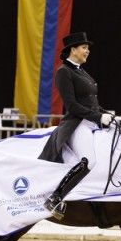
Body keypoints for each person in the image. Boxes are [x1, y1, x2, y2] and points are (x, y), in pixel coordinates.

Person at [38, 32, 114, 219]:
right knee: (89, 160)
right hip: (77, 123)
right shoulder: (64, 71)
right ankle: (55, 198)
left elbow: (91, 101)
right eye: (84, 48)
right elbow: (72, 105)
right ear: (73, 50)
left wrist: (106, 115)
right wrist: (98, 117)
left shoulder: (80, 70)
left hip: (91, 122)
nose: (87, 51)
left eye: (88, 48)